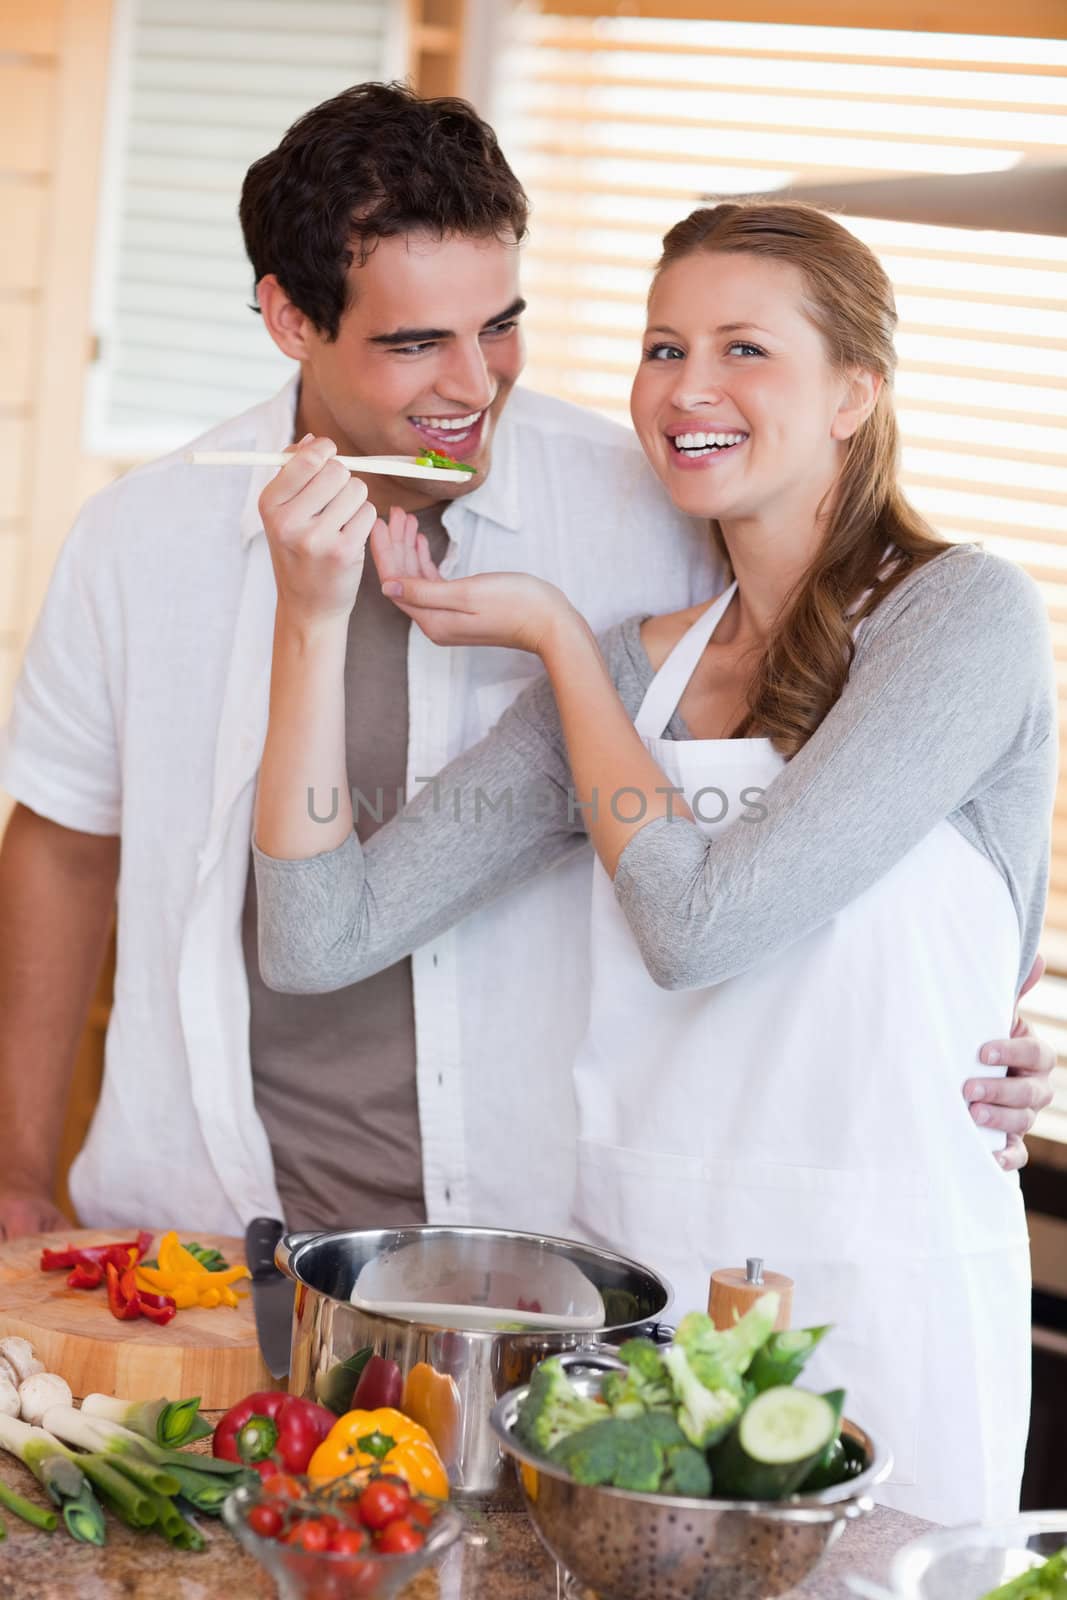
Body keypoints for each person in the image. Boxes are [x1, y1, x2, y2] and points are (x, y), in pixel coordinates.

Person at [0, 87, 1051, 1242]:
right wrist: (15, 1164)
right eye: (414, 343)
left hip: (564, 1237)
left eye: (497, 324)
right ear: (291, 318)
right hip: (207, 1209)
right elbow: (94, 855)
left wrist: (984, 1032)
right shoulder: (143, 536)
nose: (472, 382)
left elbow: (855, 832)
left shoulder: (665, 513)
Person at [251, 200, 1057, 1526]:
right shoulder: (633, 666)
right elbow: (315, 935)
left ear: (854, 391)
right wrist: (309, 614)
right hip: (647, 1299)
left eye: (743, 350)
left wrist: (556, 646)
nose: (686, 389)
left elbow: (701, 927)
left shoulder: (957, 618)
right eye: (660, 347)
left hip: (881, 1293)